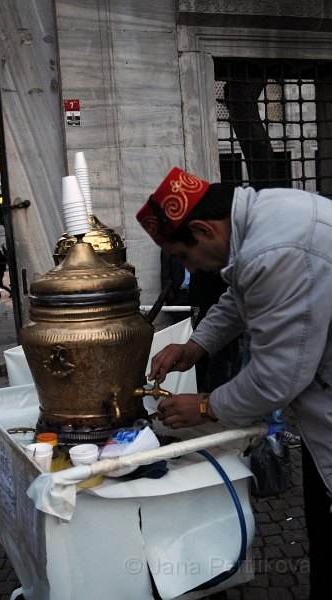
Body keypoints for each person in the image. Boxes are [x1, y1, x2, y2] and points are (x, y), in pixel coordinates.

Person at [136, 166, 332, 599]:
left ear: (204, 229)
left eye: (184, 258)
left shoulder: (272, 249)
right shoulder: (262, 221)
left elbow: (274, 378)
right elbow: (239, 298)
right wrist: (196, 347)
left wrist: (204, 406)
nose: (188, 268)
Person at [160, 251, 191, 324]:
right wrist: (171, 300)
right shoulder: (169, 247)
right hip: (178, 296)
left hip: (195, 295)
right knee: (182, 329)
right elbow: (165, 276)